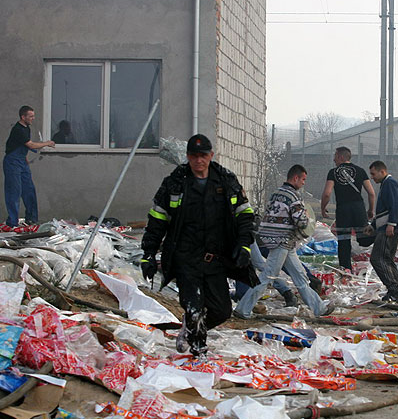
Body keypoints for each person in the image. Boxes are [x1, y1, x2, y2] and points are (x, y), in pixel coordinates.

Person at [140, 134, 258, 358]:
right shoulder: (175, 182)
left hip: (215, 258)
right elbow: (157, 220)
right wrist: (148, 253)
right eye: (194, 156)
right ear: (188, 157)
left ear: (211, 156)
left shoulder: (225, 180)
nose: (198, 160)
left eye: (203, 155)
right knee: (194, 309)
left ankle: (190, 328)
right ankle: (199, 354)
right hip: (185, 258)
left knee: (222, 311)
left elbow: (245, 215)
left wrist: (244, 246)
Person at [234, 165, 333, 319]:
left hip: (279, 241)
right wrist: (306, 218)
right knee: (267, 276)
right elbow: (301, 221)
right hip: (283, 240)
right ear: (296, 178)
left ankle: (319, 308)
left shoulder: (275, 193)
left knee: (300, 276)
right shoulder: (293, 196)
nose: (304, 183)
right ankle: (243, 309)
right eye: (303, 179)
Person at [321, 146, 375, 270]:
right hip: (358, 208)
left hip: (343, 210)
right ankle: (379, 235)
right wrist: (370, 210)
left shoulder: (333, 172)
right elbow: (371, 193)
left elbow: (327, 193)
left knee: (344, 243)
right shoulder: (360, 171)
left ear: (340, 156)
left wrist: (323, 208)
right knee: (364, 238)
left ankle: (346, 271)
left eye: (335, 156)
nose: (334, 160)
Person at [3, 106, 55, 228]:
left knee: (29, 190)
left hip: (21, 161)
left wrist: (25, 158)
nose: (33, 118)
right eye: (30, 116)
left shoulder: (27, 128)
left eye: (33, 116)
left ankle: (31, 218)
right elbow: (30, 144)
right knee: (14, 192)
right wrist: (47, 143)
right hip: (13, 163)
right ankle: (12, 222)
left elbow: (22, 146)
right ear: (23, 117)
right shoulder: (18, 129)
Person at [366, 161, 398, 302]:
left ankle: (394, 289)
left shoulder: (390, 183)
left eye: (373, 173)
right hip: (388, 227)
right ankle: (395, 290)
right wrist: (374, 225)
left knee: (377, 258)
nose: (372, 177)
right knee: (388, 259)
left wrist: (391, 224)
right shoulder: (385, 185)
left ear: (382, 171)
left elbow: (395, 205)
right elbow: (384, 210)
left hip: (390, 229)